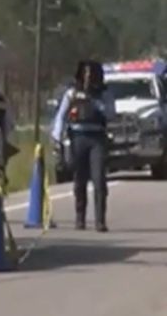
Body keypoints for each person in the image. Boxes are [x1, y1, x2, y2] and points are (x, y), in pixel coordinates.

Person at [50, 60, 115, 232]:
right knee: (79, 181)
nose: (88, 77)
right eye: (85, 73)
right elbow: (61, 116)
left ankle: (100, 220)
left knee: (99, 179)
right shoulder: (72, 93)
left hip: (97, 138)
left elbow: (111, 114)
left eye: (91, 73)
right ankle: (80, 218)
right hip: (77, 137)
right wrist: (57, 136)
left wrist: (95, 102)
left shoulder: (104, 94)